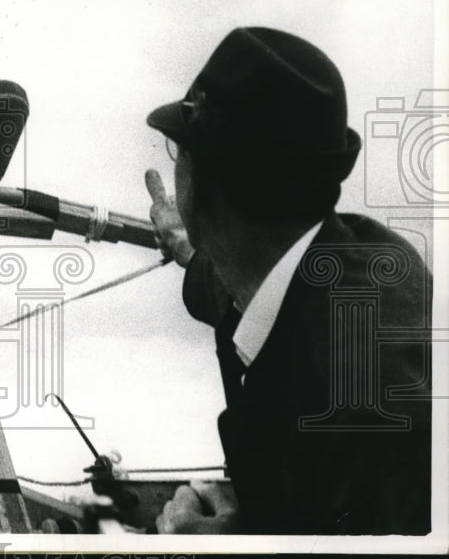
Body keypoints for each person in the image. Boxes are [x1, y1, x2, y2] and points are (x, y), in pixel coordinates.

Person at [144, 26, 431, 535]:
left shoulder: (360, 406)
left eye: (179, 149)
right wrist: (189, 247)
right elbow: (227, 284)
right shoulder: (364, 255)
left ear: (205, 179)